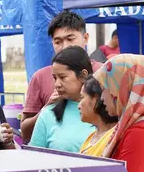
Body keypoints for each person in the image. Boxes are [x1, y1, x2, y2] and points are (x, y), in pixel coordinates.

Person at [21, 11, 102, 143]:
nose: (64, 46)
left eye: (70, 39)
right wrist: (46, 109)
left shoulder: (104, 72)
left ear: (85, 38)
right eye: (58, 41)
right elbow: (25, 132)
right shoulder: (40, 77)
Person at [29, 46, 96, 152]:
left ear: (83, 75)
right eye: (55, 78)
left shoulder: (106, 112)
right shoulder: (48, 114)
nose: (57, 84)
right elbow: (33, 157)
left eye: (62, 77)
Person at [78, 76, 118, 156]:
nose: (78, 106)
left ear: (95, 99)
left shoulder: (113, 136)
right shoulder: (91, 137)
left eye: (82, 97)